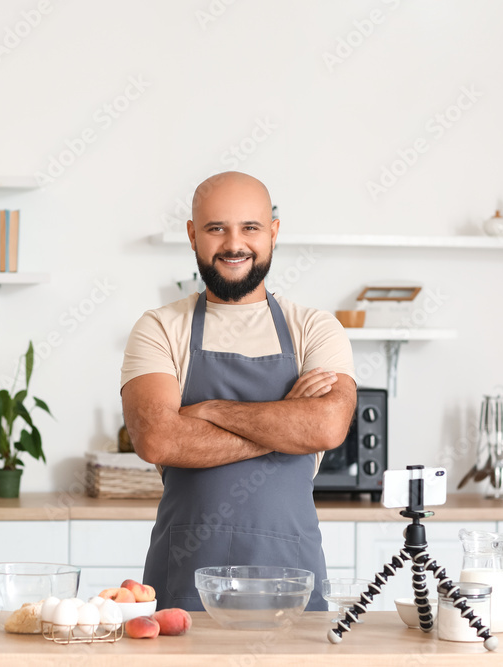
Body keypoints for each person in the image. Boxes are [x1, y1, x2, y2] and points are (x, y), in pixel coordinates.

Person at [120, 171, 357, 611]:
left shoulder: (314, 328)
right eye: (216, 228)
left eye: (250, 227)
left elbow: (325, 427)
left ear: (273, 233)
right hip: (184, 585)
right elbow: (157, 438)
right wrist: (286, 422)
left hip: (291, 578)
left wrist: (205, 410)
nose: (234, 244)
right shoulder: (159, 328)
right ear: (193, 236)